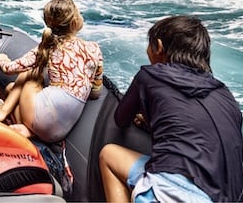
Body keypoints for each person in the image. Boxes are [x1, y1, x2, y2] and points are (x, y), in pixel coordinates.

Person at [99, 15, 243, 203]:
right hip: (227, 196)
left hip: (173, 193)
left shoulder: (149, 75)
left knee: (108, 155)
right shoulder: (224, 92)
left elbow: (121, 119)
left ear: (158, 46)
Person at [0, 0, 104, 143]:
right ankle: (30, 129)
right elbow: (96, 93)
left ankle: (4, 112)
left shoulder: (48, 47)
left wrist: (2, 60)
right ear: (74, 22)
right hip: (60, 132)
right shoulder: (94, 48)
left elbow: (10, 69)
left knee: (31, 74)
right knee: (12, 87)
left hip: (40, 119)